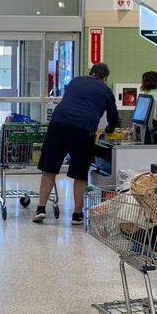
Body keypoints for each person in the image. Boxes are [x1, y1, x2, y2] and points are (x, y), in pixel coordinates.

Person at [34, 62, 119, 225]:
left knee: (49, 169)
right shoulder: (106, 90)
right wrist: (109, 130)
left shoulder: (75, 81)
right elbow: (113, 118)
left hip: (58, 125)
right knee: (79, 174)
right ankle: (77, 215)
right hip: (83, 129)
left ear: (90, 72)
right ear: (105, 78)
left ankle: (40, 209)